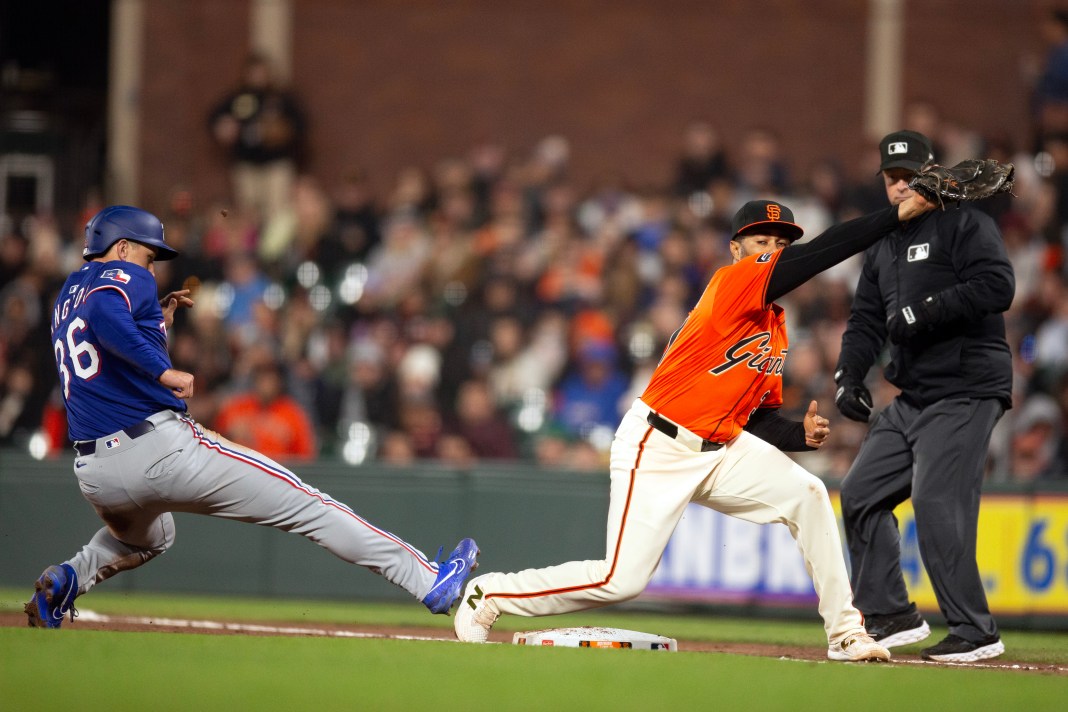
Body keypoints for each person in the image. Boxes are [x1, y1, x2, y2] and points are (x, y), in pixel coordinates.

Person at [454, 190, 938, 662]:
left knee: (809, 495)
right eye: (760, 240)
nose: (771, 250)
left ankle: (846, 632)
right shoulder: (731, 284)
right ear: (736, 249)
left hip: (721, 447)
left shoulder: (775, 325)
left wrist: (799, 435)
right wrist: (896, 215)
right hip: (659, 442)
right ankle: (489, 594)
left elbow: (760, 418)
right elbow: (822, 252)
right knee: (621, 580)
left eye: (780, 243)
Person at [24, 205, 478, 628]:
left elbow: (102, 350)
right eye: (148, 255)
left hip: (95, 472)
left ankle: (65, 581)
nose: (152, 267)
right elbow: (108, 318)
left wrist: (157, 325)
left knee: (150, 537)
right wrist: (163, 369)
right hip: (159, 449)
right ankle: (427, 579)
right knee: (308, 505)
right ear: (121, 247)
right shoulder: (123, 273)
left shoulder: (67, 294)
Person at [832, 130, 1014, 662]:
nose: (899, 187)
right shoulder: (884, 246)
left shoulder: (964, 223)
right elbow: (865, 321)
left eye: (908, 176)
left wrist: (926, 308)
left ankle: (976, 630)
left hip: (966, 387)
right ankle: (890, 614)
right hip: (914, 395)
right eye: (890, 178)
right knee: (861, 491)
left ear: (931, 173)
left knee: (937, 501)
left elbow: (998, 285)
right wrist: (848, 375)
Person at [208, 54, 306, 224]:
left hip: (276, 163)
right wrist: (223, 127)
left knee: (277, 210)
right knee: (248, 210)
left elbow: (301, 125)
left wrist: (282, 132)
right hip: (246, 163)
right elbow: (214, 119)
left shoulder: (280, 98)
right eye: (253, 72)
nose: (257, 77)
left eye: (261, 72)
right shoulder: (238, 98)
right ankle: (251, 245)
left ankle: (274, 249)